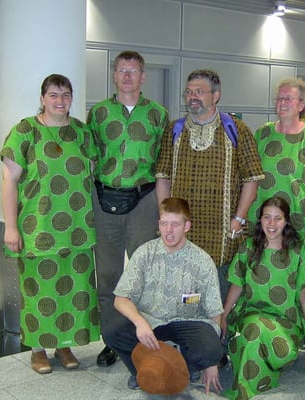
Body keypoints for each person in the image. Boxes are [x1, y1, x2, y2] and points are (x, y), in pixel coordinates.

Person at [0, 74, 100, 374]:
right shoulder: (25, 131)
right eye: (53, 95)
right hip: (38, 227)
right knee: (38, 290)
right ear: (42, 98)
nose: (60, 101)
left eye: (66, 94)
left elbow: (90, 175)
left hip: (77, 229)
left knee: (73, 288)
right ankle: (38, 350)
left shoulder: (82, 133)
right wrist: (11, 227)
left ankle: (65, 344)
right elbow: (10, 181)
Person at [155, 69, 264, 304]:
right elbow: (162, 177)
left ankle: (218, 339)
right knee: (183, 295)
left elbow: (252, 179)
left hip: (222, 234)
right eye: (189, 92)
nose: (193, 96)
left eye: (200, 92)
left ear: (216, 96)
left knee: (218, 298)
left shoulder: (237, 130)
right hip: (185, 230)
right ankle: (185, 338)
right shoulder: (175, 130)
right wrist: (165, 218)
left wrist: (239, 218)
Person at [88, 50, 168, 367]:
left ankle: (143, 335)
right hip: (105, 199)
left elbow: (164, 165)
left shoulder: (158, 115)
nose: (126, 76)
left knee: (144, 274)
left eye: (132, 71)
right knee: (108, 275)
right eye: (121, 70)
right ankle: (111, 338)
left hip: (143, 200)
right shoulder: (99, 113)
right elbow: (90, 157)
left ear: (143, 76)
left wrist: (164, 208)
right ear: (114, 74)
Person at [103, 197, 224, 394]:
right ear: (158, 224)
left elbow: (214, 312)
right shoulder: (145, 253)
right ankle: (143, 367)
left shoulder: (202, 261)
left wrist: (211, 363)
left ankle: (177, 365)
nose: (168, 230)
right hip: (150, 322)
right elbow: (121, 298)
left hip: (185, 323)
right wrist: (140, 323)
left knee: (211, 350)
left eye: (175, 224)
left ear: (187, 226)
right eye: (164, 223)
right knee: (110, 328)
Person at [221, 197, 305, 399]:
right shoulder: (247, 248)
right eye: (267, 217)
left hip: (286, 321)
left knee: (274, 347)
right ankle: (244, 389)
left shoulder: (298, 252)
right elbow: (237, 284)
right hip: (251, 315)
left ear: (286, 221)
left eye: (278, 218)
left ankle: (253, 373)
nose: (272, 224)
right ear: (260, 219)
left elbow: (304, 293)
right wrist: (224, 315)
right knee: (254, 332)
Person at [248, 77, 305, 255]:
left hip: (297, 220)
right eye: (279, 98)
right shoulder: (263, 133)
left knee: (294, 275)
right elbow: (250, 176)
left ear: (301, 105)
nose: (282, 102)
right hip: (261, 220)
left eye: (288, 98)